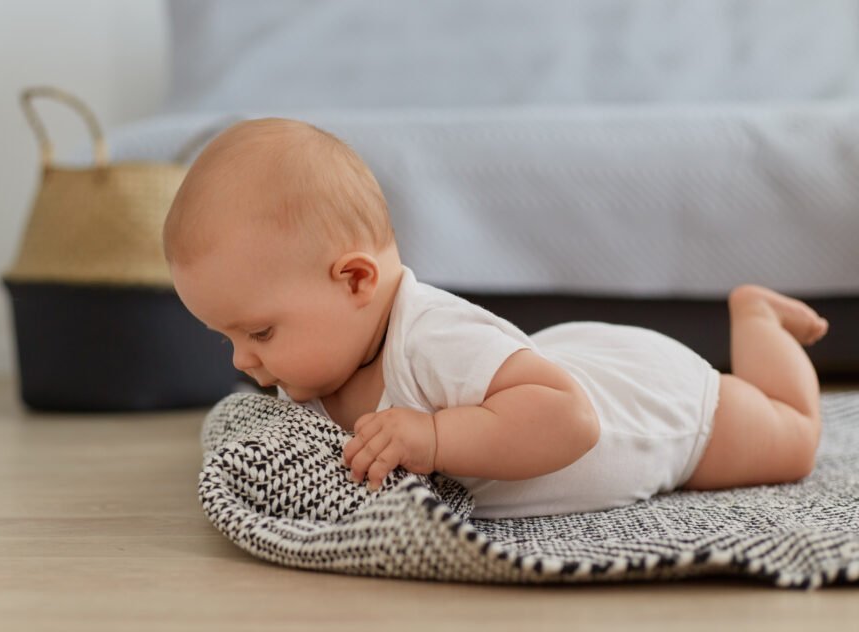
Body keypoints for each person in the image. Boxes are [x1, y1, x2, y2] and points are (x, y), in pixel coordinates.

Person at [162, 118, 829, 518]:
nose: (242, 361)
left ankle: (757, 320)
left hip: (646, 408)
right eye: (227, 337)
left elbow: (572, 421)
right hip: (547, 361)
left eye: (259, 332)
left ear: (356, 280)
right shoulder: (321, 368)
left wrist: (432, 438)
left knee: (791, 438)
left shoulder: (431, 337)